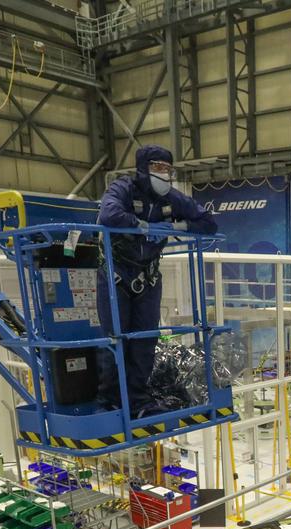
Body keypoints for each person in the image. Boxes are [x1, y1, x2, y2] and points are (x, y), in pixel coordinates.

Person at [96, 144, 217, 416]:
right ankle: (109, 401)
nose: (164, 174)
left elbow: (208, 223)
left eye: (168, 169)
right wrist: (143, 226)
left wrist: (177, 227)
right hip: (116, 276)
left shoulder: (172, 198)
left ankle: (138, 399)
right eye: (157, 168)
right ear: (143, 168)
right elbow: (109, 214)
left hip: (148, 277)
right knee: (115, 340)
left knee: (145, 341)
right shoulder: (123, 188)